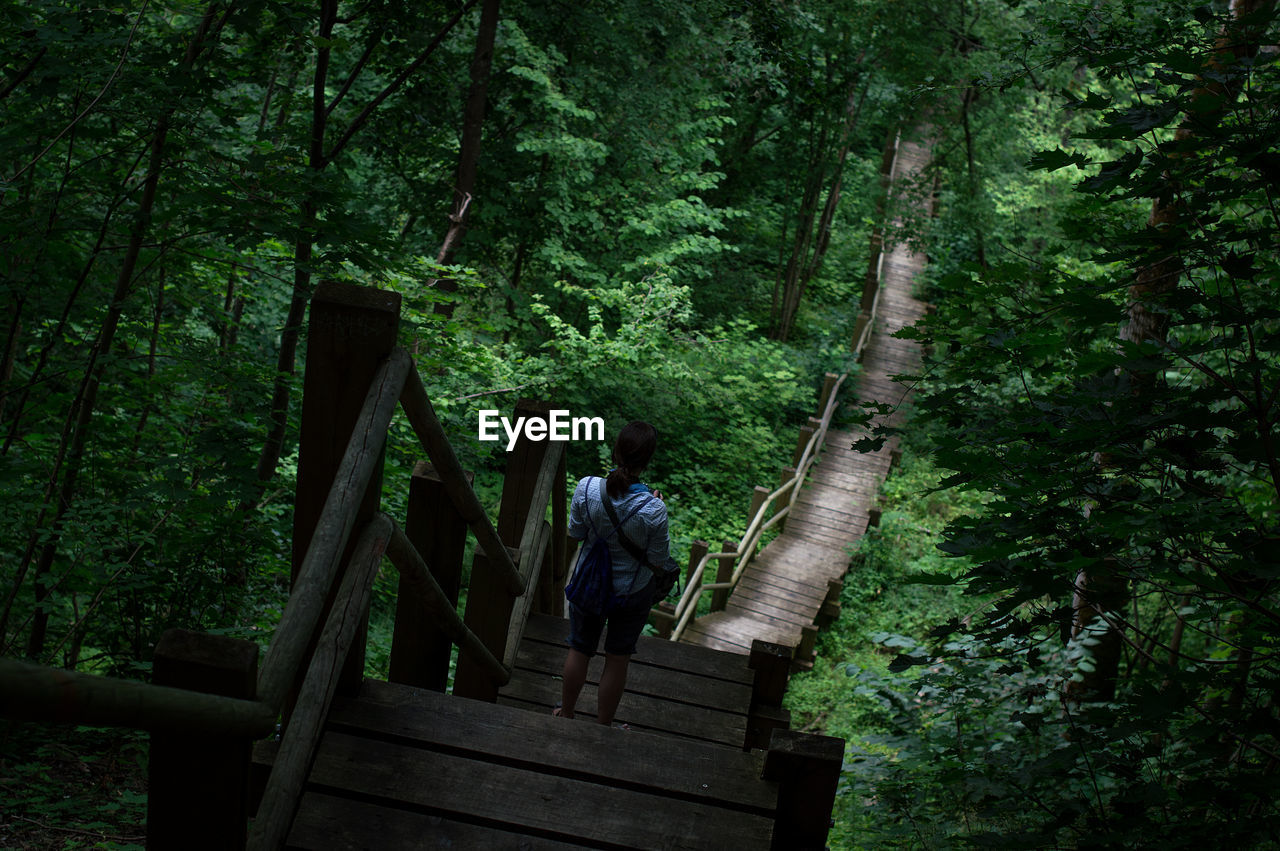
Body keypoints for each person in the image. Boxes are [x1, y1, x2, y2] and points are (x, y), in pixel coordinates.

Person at [555, 420, 673, 726]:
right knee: (617, 658)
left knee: (579, 649)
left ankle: (566, 713)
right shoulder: (654, 508)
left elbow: (576, 532)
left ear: (615, 451)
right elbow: (659, 561)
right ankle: (603, 724)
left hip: (589, 585)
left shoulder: (587, 487)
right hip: (631, 593)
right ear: (647, 461)